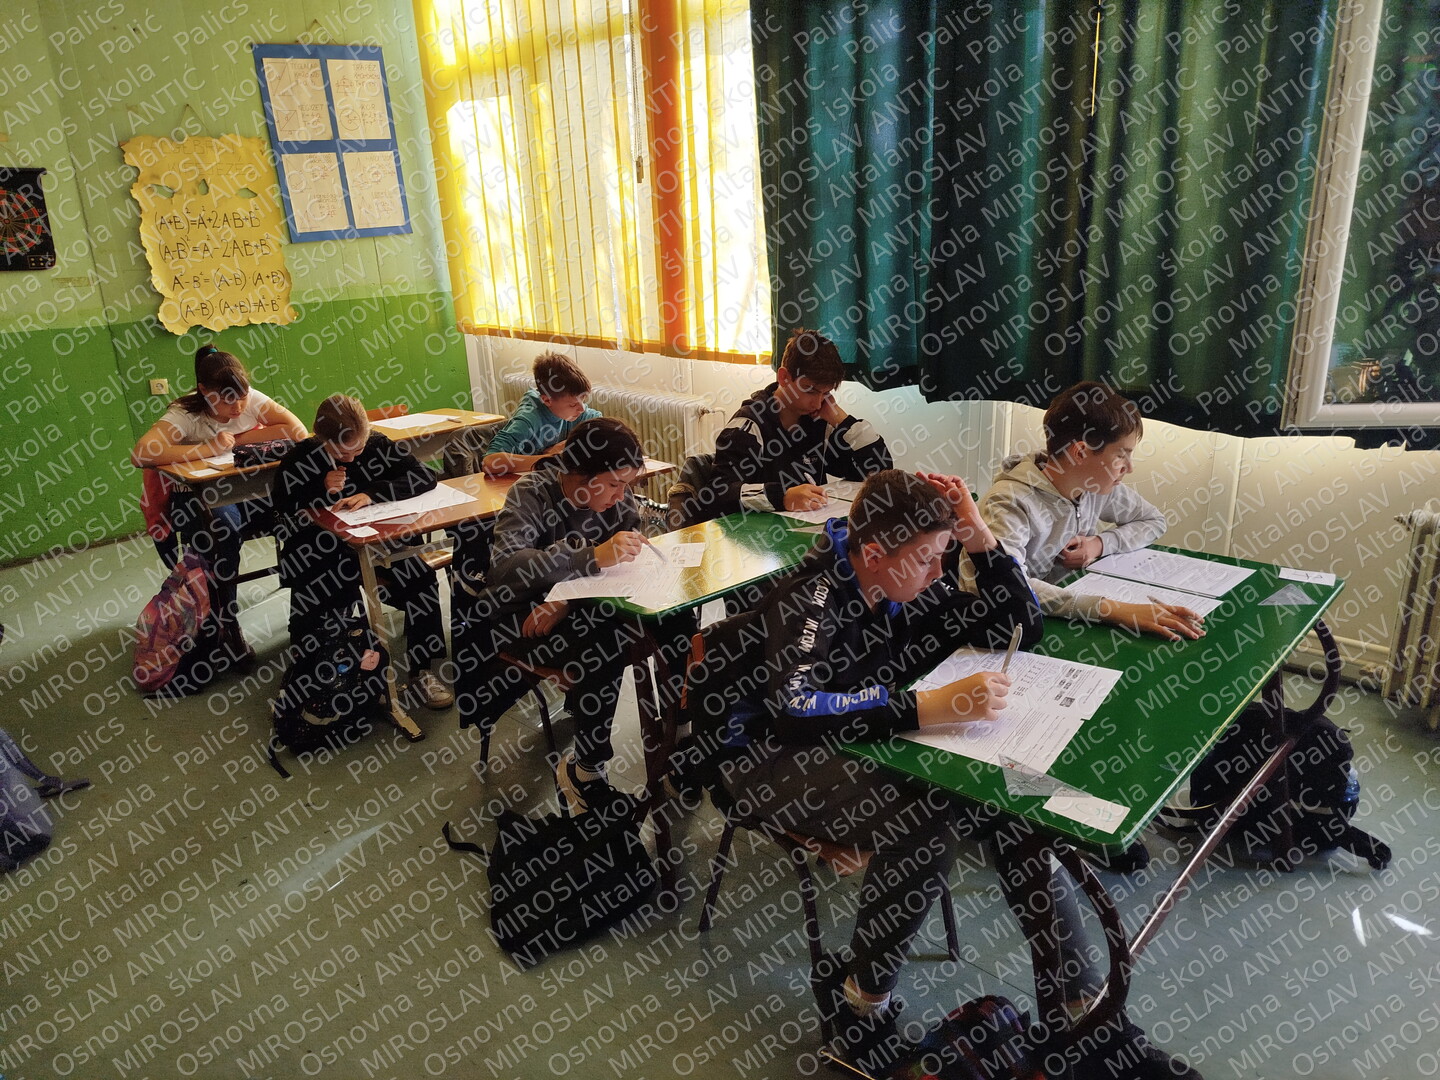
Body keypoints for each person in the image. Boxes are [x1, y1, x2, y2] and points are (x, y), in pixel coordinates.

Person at [708, 470, 1199, 1079]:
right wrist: (922, 708)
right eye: (926, 558)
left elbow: (1017, 625)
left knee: (1014, 815)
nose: (939, 572)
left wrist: (978, 537)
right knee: (925, 822)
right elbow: (794, 708)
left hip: (853, 736)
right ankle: (861, 1006)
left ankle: (1085, 1017)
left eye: (945, 554)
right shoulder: (812, 596)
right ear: (873, 554)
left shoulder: (906, 580)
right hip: (760, 756)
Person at [460, 417, 683, 813]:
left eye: (627, 485)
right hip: (520, 615)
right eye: (614, 484)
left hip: (580, 604)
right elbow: (506, 568)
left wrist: (568, 597)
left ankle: (678, 738)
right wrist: (588, 558)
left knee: (676, 618)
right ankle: (586, 770)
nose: (622, 495)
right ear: (580, 474)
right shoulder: (531, 493)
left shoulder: (617, 499)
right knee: (606, 643)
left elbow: (625, 561)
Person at [966, 381, 1205, 642]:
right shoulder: (1009, 502)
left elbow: (1153, 521)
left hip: (1064, 611)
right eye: (1121, 456)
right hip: (1007, 628)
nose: (1129, 467)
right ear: (1080, 452)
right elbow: (1011, 587)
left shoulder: (1094, 485)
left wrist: (1099, 544)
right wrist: (1113, 610)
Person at [272, 394, 452, 710]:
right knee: (325, 595)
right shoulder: (301, 457)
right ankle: (328, 671)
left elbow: (424, 476)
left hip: (376, 543)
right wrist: (320, 488)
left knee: (421, 579)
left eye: (358, 449)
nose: (352, 458)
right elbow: (282, 508)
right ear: (321, 438)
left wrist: (373, 493)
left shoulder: (377, 444)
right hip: (322, 552)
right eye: (342, 452)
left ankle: (422, 670)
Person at [130, 344, 306, 659]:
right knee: (222, 532)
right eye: (227, 400)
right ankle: (225, 624)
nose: (237, 407)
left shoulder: (250, 398)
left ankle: (308, 616)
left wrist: (236, 441)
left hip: (247, 493)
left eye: (242, 397)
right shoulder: (185, 413)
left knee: (303, 514)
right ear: (204, 391)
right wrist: (208, 448)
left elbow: (296, 430)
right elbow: (141, 453)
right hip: (197, 498)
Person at [713, 327, 892, 515]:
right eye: (810, 390)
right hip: (755, 529)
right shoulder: (748, 425)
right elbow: (719, 492)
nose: (818, 402)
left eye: (825, 393)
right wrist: (782, 497)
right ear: (784, 377)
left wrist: (841, 419)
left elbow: (878, 472)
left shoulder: (818, 421)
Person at [481, 352, 603, 476]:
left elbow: (602, 431)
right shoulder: (528, 420)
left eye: (583, 399)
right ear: (547, 400)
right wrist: (548, 459)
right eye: (572, 404)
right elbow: (490, 462)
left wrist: (565, 445)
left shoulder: (576, 411)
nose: (582, 409)